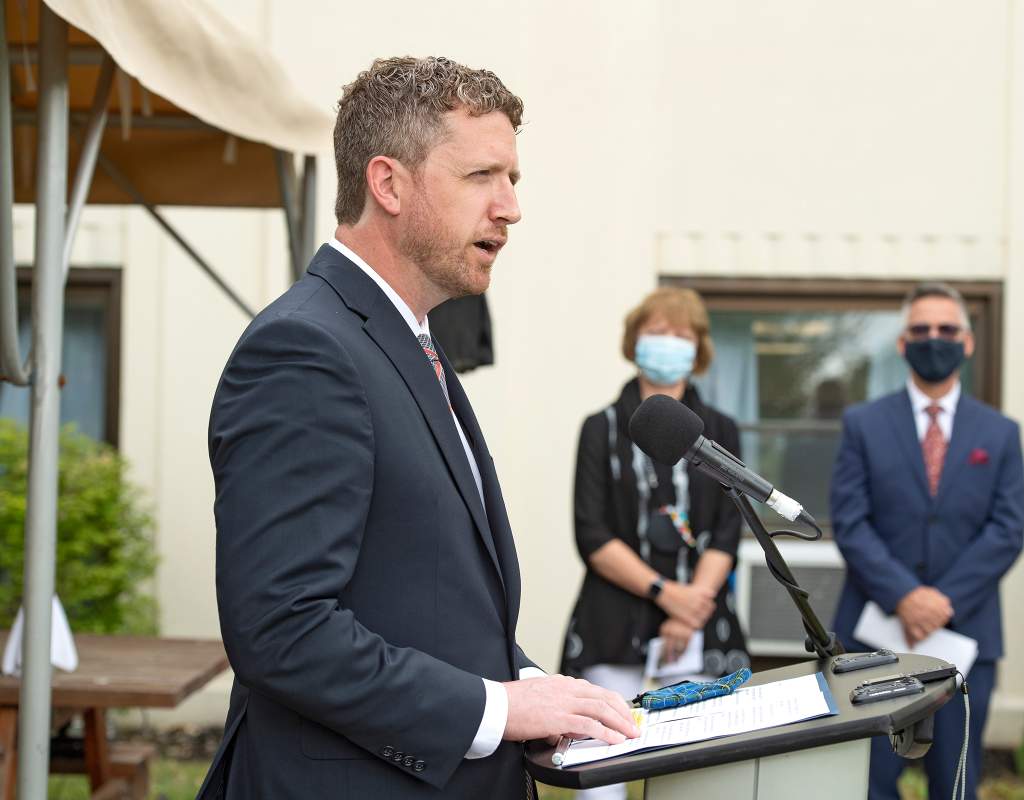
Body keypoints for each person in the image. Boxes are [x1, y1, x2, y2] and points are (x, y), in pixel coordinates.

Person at [196, 56, 638, 800]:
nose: (510, 207)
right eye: (481, 177)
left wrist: (533, 688)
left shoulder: (408, 341)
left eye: (514, 180)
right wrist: (498, 707)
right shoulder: (305, 350)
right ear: (388, 184)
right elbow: (283, 630)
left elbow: (423, 596)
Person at [830, 282, 1024, 800]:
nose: (933, 339)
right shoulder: (862, 424)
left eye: (946, 329)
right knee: (869, 783)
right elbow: (850, 522)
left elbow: (1008, 530)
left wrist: (942, 601)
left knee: (955, 782)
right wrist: (905, 596)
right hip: (875, 638)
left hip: (966, 636)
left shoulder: (1001, 433)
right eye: (921, 330)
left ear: (968, 341)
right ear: (901, 343)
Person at [560, 287, 749, 800]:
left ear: (700, 348)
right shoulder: (599, 429)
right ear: (634, 340)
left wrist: (691, 610)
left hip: (701, 633)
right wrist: (670, 596)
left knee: (698, 785)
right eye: (657, 332)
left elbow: (728, 530)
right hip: (614, 627)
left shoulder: (724, 430)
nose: (668, 343)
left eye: (681, 335)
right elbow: (592, 534)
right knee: (603, 783)